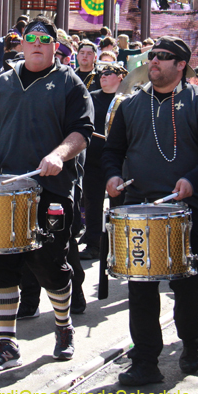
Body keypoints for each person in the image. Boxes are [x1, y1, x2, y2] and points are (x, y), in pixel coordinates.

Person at [102, 37, 198, 386]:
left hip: (188, 208)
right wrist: (112, 176)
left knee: (187, 285)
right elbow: (112, 151)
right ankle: (145, 360)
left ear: (181, 64)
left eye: (162, 56)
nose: (153, 61)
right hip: (139, 207)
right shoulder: (131, 104)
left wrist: (192, 179)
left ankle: (191, 342)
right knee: (141, 287)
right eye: (152, 55)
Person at [0, 15, 94, 371]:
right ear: (22, 44)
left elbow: (82, 131)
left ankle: (64, 327)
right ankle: (7, 343)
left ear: (54, 47)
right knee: (0, 266)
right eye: (31, 39)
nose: (37, 45)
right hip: (5, 190)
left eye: (44, 40)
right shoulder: (3, 82)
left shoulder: (70, 83)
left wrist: (59, 155)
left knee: (50, 266)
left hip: (51, 189)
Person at [79, 62, 126, 260]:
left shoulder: (127, 99)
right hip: (93, 158)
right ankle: (94, 244)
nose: (103, 76)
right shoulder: (91, 97)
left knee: (119, 202)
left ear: (120, 77)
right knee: (92, 202)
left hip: (118, 160)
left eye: (108, 72)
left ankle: (119, 244)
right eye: (100, 73)